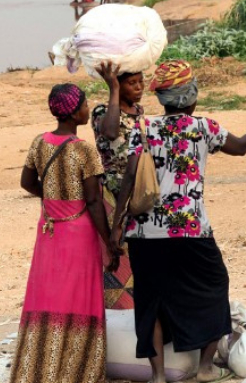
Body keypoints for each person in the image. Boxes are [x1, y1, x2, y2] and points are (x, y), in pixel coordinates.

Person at [113, 60, 246, 383]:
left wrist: (117, 225)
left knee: (152, 301)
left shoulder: (144, 128)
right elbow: (241, 146)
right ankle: (204, 367)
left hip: (144, 232)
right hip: (190, 229)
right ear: (191, 96)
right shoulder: (203, 128)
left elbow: (129, 177)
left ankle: (158, 375)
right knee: (214, 287)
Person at [11, 84, 120, 383]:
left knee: (47, 294)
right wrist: (109, 241)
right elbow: (94, 200)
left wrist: (51, 198)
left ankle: (38, 369)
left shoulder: (39, 142)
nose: (88, 109)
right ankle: (76, 370)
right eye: (85, 105)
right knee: (78, 295)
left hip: (48, 228)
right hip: (78, 229)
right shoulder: (84, 149)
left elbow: (26, 182)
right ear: (74, 112)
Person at [92, 60, 145, 309]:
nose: (139, 87)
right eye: (131, 83)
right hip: (114, 195)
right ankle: (120, 312)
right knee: (117, 253)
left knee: (139, 255)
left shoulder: (141, 113)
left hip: (139, 190)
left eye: (141, 82)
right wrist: (112, 88)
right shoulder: (102, 112)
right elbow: (111, 133)